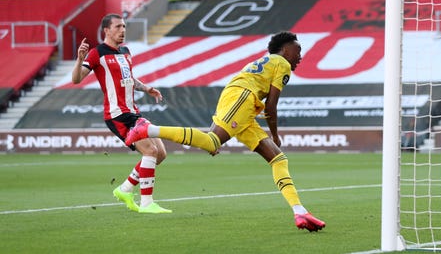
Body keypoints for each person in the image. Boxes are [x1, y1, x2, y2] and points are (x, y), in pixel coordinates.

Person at [125, 31, 326, 232]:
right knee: (212, 142)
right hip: (243, 98)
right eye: (297, 51)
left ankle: (299, 211)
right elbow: (271, 105)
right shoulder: (281, 63)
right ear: (285, 50)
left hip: (243, 101)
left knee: (278, 159)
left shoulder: (268, 62)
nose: (300, 56)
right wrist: (275, 135)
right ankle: (149, 129)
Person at [72, 13, 171, 214]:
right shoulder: (97, 53)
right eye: (118, 27)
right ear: (106, 30)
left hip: (133, 112)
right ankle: (146, 203)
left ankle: (125, 189)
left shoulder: (126, 51)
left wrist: (147, 88)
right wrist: (79, 59)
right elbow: (76, 79)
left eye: (124, 26)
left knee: (160, 154)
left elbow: (129, 78)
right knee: (150, 152)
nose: (122, 30)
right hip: (117, 115)